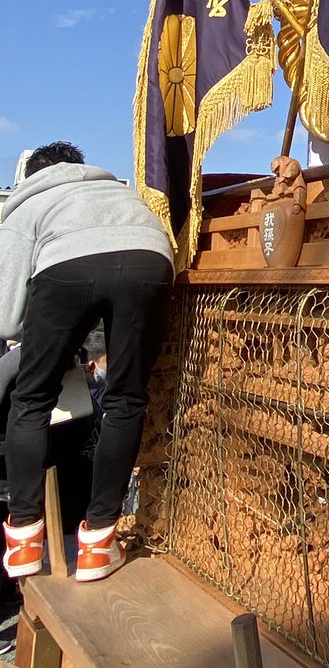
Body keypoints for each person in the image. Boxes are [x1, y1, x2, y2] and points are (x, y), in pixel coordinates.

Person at [0, 142, 173, 582]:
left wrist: (48, 341)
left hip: (66, 267)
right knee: (126, 400)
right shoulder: (117, 192)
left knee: (31, 399)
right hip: (148, 258)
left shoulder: (29, 201)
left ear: (30, 175)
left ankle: (23, 537)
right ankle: (98, 543)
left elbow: (5, 317)